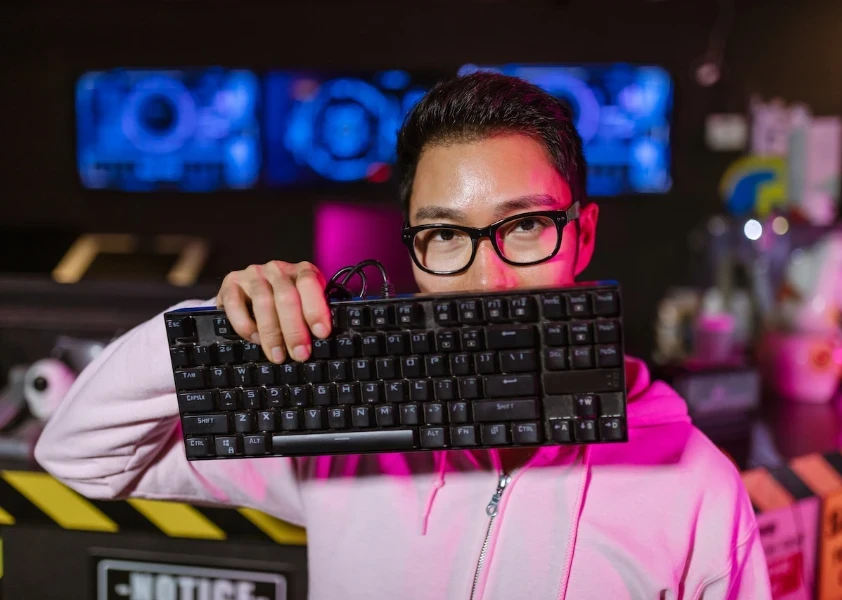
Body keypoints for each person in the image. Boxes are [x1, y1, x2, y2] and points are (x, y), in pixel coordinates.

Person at [35, 72, 771, 599]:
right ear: (414, 253)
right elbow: (79, 455)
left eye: (524, 227)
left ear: (581, 235)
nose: (490, 278)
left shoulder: (693, 484)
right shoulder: (349, 432)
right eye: (447, 236)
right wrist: (209, 330)